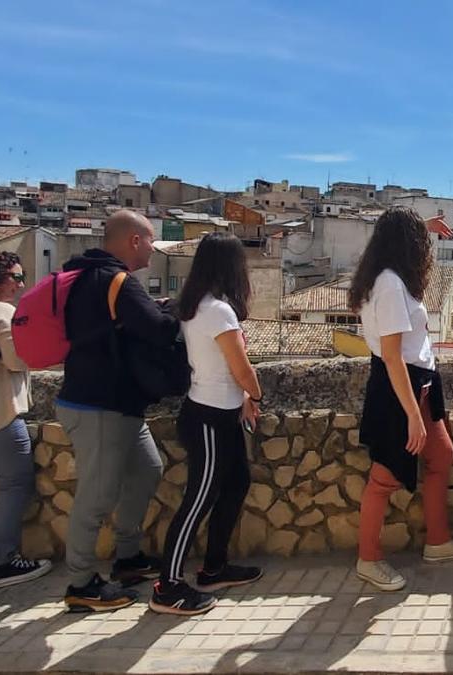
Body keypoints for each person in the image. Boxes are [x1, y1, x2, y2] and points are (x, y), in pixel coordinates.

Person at [349, 208, 453, 592]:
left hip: (420, 383)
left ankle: (438, 541)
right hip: (400, 388)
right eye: (422, 240)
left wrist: (423, 225)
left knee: (440, 455)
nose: (427, 246)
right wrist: (412, 415)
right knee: (385, 476)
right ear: (407, 246)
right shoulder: (390, 285)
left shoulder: (388, 277)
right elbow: (392, 356)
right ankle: (369, 559)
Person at [57, 210, 178, 612]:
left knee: (147, 469)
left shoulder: (88, 275)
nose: (153, 250)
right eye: (150, 241)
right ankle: (82, 583)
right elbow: (159, 331)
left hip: (115, 403)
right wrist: (176, 310)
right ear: (135, 241)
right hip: (100, 405)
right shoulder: (117, 281)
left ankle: (127, 558)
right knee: (96, 496)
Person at [148, 233, 263, 615]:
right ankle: (168, 587)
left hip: (219, 412)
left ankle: (214, 567)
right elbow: (240, 367)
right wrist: (255, 394)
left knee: (236, 484)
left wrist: (243, 398)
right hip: (210, 418)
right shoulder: (217, 311)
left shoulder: (198, 306)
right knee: (198, 499)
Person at [0, 252, 52, 590]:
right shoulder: (2, 313)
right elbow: (16, 360)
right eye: (17, 277)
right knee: (14, 483)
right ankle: (1, 561)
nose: (22, 284)